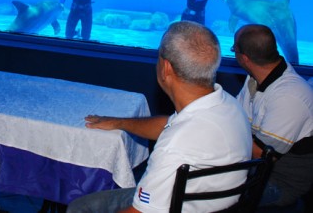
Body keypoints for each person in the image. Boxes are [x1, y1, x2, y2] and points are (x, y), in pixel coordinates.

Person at [67, 21, 252, 213]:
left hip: (178, 208)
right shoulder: (227, 104)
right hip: (218, 203)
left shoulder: (173, 147)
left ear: (166, 68)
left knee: (78, 207)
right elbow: (169, 125)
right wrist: (118, 122)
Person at [232, 24, 313, 208]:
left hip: (280, 182)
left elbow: (261, 155)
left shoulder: (290, 97)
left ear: (244, 58)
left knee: (208, 194)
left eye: (233, 49)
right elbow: (236, 117)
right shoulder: (254, 77)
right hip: (254, 170)